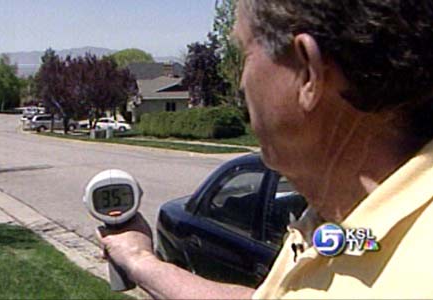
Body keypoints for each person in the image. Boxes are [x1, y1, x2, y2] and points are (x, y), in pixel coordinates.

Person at [97, 0, 433, 298]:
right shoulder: (342, 218)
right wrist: (140, 262)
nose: (241, 83)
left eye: (244, 54)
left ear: (308, 73)